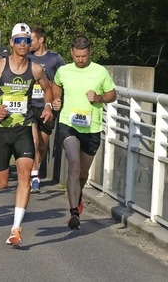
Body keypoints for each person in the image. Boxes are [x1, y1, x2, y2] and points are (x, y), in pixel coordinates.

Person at [0, 23, 54, 247]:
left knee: (24, 174)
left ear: (31, 44)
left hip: (24, 128)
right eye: (18, 40)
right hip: (0, 130)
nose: (22, 44)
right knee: (1, 183)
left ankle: (16, 229)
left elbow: (48, 88)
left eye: (26, 40)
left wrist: (48, 106)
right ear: (11, 43)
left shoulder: (36, 69)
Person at [52, 35, 116, 230]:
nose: (80, 60)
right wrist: (56, 99)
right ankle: (74, 213)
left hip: (92, 127)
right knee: (73, 162)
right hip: (68, 123)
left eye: (84, 56)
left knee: (82, 172)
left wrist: (98, 97)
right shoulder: (64, 70)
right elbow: (56, 85)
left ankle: (77, 196)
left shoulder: (100, 71)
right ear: (72, 52)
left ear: (90, 53)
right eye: (77, 56)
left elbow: (113, 94)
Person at [27, 26, 65, 193]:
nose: (28, 43)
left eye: (31, 40)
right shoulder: (26, 58)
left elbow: (61, 81)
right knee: (33, 142)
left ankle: (36, 167)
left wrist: (58, 100)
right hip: (29, 106)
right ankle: (34, 177)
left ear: (41, 40)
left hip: (47, 107)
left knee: (42, 145)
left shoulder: (55, 59)